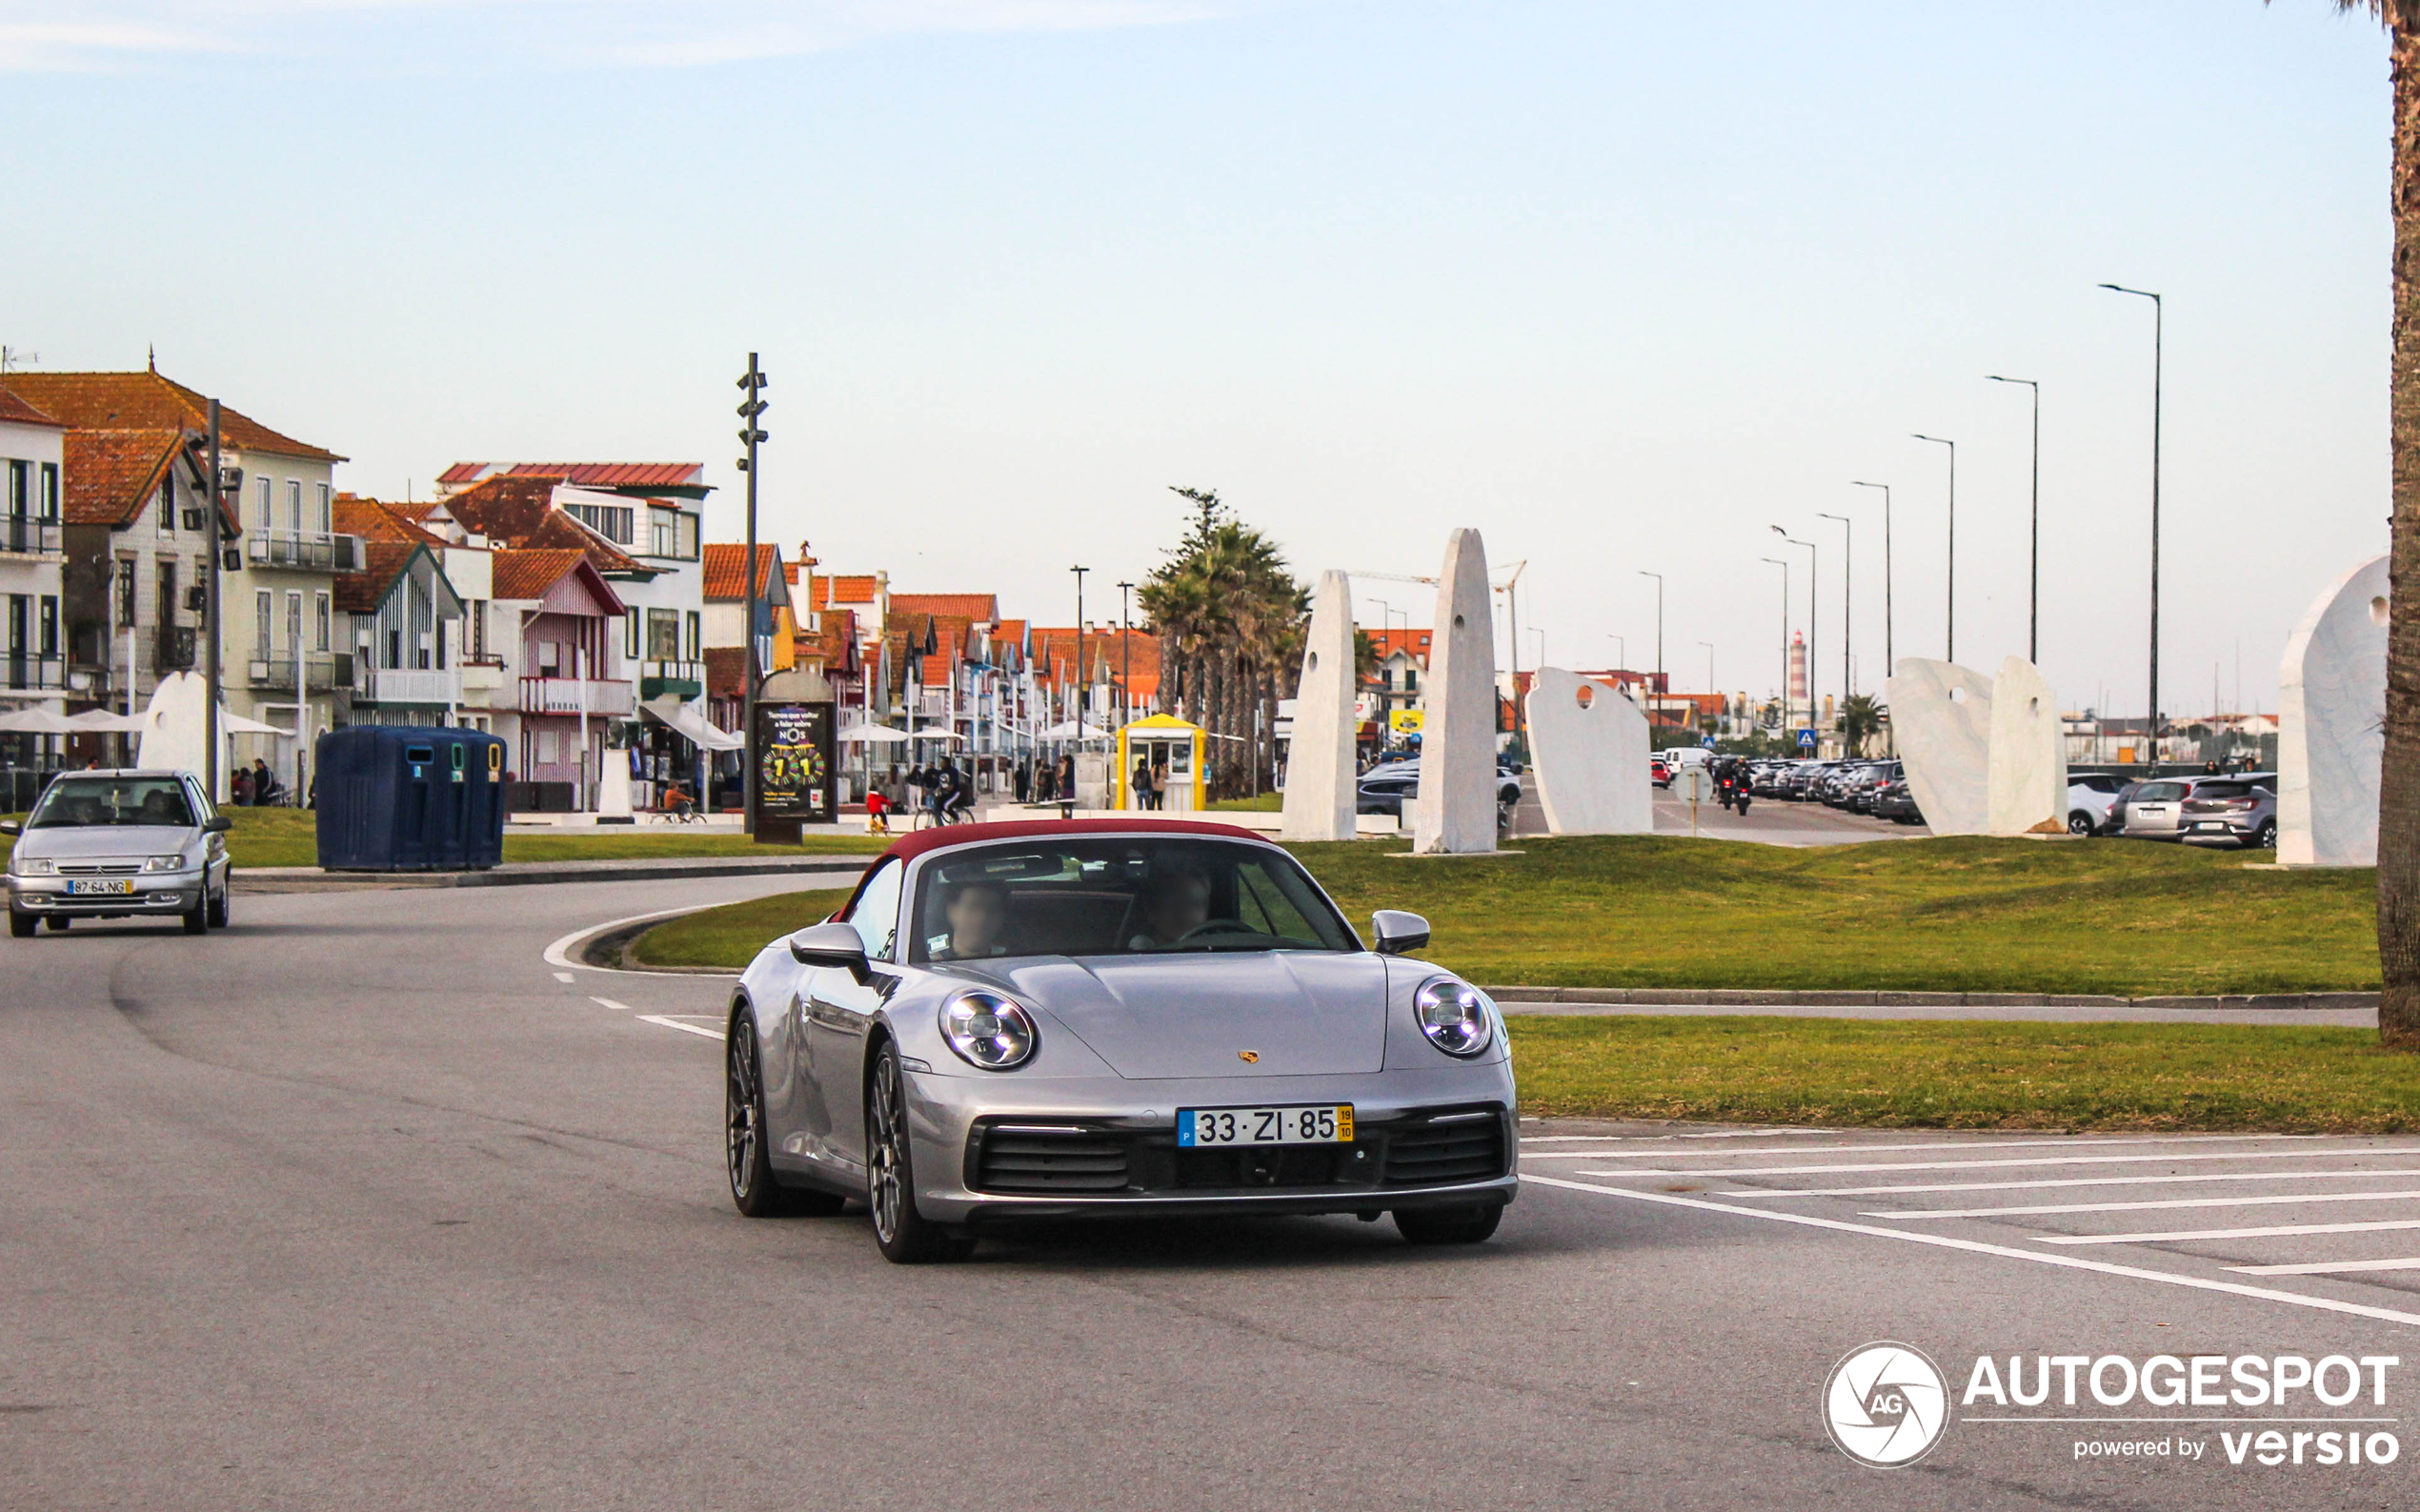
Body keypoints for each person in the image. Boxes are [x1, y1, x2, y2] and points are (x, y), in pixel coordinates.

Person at [1128, 866, 1214, 951]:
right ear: (1151, 912)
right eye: (1173, 901)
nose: (1184, 911)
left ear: (1205, 914)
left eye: (1195, 903)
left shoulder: (1215, 951)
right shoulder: (1141, 952)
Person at [928, 878, 1010, 960]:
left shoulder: (1010, 960)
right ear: (952, 912)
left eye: (992, 910)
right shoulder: (928, 959)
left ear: (1001, 918)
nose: (982, 920)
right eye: (973, 908)